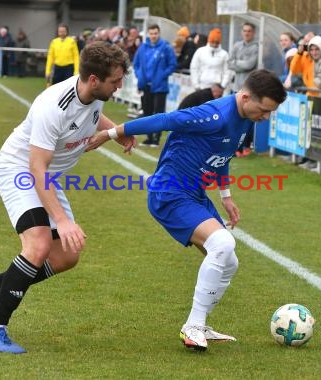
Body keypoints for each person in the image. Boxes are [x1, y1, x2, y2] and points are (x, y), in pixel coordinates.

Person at [86, 69, 287, 352]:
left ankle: (200, 324)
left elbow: (223, 154)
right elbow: (165, 120)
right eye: (264, 110)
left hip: (193, 194)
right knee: (222, 243)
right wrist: (110, 133)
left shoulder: (244, 118)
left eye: (270, 112)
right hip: (170, 192)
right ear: (245, 97)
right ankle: (192, 326)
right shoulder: (214, 114)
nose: (265, 116)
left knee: (229, 261)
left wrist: (226, 195)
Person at [0, 42, 134, 354]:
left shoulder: (92, 92)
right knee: (39, 245)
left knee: (66, 256)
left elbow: (94, 114)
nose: (120, 85)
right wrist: (64, 220)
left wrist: (115, 131)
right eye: (115, 81)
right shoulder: (53, 106)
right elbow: (36, 168)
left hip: (45, 176)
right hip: (22, 172)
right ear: (94, 79)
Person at [132, 23, 177, 147]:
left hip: (160, 86)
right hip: (146, 85)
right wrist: (139, 74)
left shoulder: (166, 47)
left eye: (155, 33)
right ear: (148, 34)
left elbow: (172, 64)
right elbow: (135, 64)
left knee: (158, 113)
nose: (153, 36)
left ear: (159, 33)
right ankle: (149, 137)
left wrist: (163, 75)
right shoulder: (142, 47)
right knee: (147, 112)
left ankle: (156, 139)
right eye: (151, 33)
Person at [229, 22, 259, 158]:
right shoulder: (236, 45)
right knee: (235, 118)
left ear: (253, 33)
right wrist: (240, 64)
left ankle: (246, 145)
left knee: (248, 119)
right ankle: (235, 147)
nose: (246, 33)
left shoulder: (256, 47)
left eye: (249, 31)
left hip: (250, 89)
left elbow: (250, 65)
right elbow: (229, 63)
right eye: (244, 31)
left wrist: (237, 63)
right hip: (236, 88)